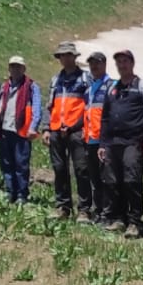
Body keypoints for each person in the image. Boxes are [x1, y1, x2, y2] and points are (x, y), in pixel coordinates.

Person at [98, 49, 143, 236]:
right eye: (118, 62)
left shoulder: (142, 86)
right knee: (112, 180)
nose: (122, 65)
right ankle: (118, 218)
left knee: (131, 180)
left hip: (134, 141)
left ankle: (135, 221)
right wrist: (102, 143)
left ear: (132, 63)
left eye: (125, 61)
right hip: (112, 142)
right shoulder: (112, 88)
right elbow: (105, 117)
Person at [45, 42, 93, 220]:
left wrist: (79, 125)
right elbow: (49, 105)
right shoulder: (55, 80)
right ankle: (63, 206)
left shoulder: (85, 78)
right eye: (62, 55)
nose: (65, 58)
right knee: (59, 168)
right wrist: (46, 128)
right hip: (57, 128)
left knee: (81, 169)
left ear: (75, 57)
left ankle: (84, 209)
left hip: (77, 130)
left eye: (68, 55)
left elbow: (90, 105)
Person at [0, 55, 42, 203]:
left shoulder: (31, 87)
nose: (15, 69)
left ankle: (21, 194)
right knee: (6, 163)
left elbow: (37, 109)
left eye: (18, 67)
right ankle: (10, 191)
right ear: (9, 69)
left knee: (21, 164)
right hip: (5, 129)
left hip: (22, 131)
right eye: (13, 66)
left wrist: (33, 127)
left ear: (24, 69)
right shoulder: (5, 87)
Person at [81, 52, 116, 223]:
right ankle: (99, 210)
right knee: (95, 179)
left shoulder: (111, 86)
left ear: (105, 64)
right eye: (91, 64)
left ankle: (108, 214)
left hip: (104, 142)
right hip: (90, 140)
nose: (94, 67)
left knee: (107, 179)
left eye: (98, 63)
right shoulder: (89, 89)